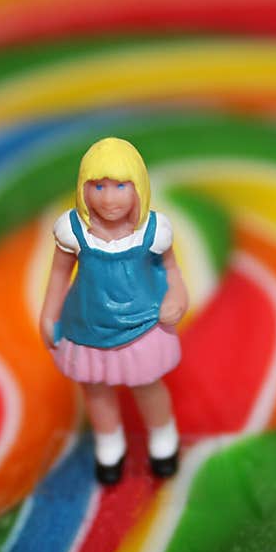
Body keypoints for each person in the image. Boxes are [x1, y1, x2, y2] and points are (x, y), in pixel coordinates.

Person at [39, 137, 188, 485]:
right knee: (95, 389)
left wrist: (177, 298)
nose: (108, 198)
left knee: (148, 386)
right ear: (83, 188)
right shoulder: (74, 231)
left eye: (121, 186)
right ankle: (110, 443)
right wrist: (49, 313)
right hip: (86, 325)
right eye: (98, 186)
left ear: (138, 187)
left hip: (142, 324)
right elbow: (59, 272)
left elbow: (172, 271)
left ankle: (163, 437)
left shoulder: (152, 232)